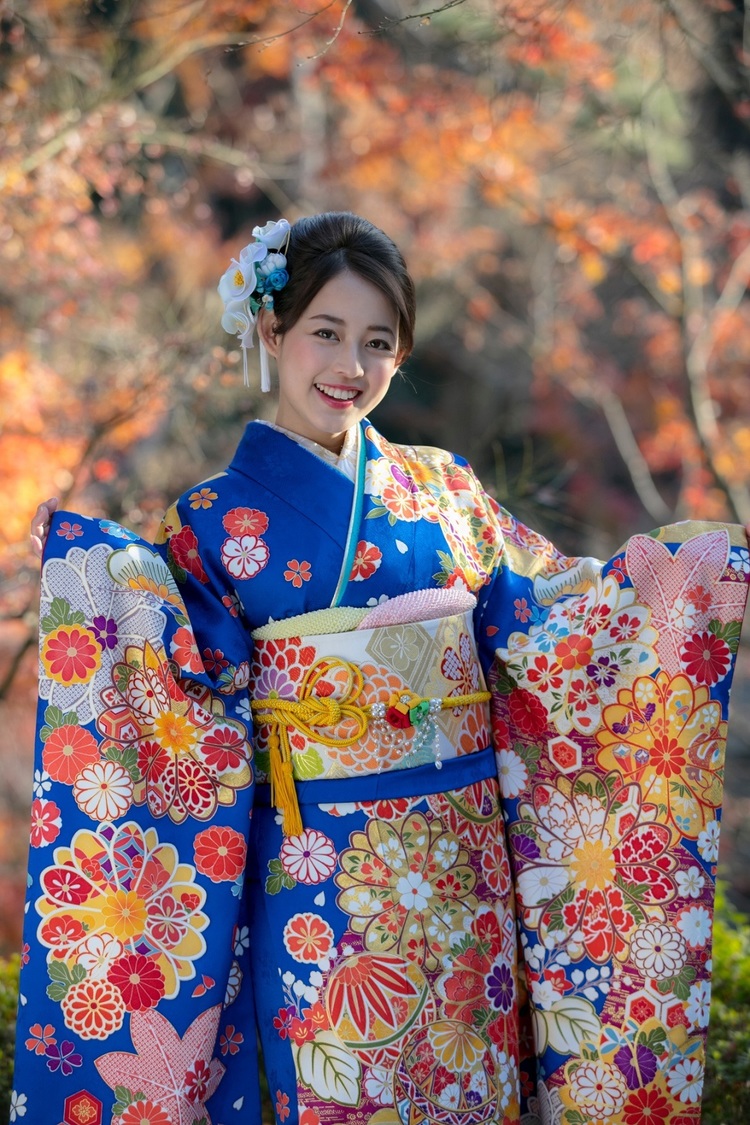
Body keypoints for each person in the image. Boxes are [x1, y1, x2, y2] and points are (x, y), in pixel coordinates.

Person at [17, 212, 750, 1125]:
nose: (350, 368)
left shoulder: (445, 491)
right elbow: (184, 693)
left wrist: (680, 579)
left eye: (378, 344)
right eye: (326, 333)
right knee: (337, 1087)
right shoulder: (210, 521)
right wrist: (93, 572)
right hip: (320, 873)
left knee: (464, 1086)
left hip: (462, 872)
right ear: (272, 332)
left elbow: (547, 617)